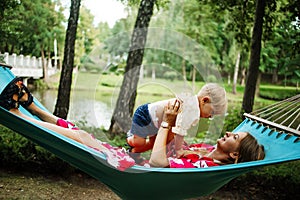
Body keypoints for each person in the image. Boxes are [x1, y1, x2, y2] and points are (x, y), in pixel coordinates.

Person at [0, 77, 135, 171]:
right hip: (114, 152)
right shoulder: (132, 155)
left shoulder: (133, 162)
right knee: (71, 126)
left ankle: (20, 116)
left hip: (112, 155)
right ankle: (37, 110)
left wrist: (109, 152)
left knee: (81, 135)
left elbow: (134, 161)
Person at [126, 83, 228, 163]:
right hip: (146, 115)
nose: (211, 116)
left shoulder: (192, 105)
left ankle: (134, 152)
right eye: (212, 112)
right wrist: (179, 149)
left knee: (153, 144)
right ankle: (130, 136)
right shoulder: (191, 108)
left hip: (156, 122)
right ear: (204, 100)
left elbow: (175, 128)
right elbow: (180, 130)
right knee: (139, 142)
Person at [149, 100, 266, 168]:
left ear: (235, 154)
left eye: (235, 137)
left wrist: (166, 123)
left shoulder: (205, 166)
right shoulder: (206, 148)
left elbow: (157, 162)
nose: (228, 133)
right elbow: (173, 146)